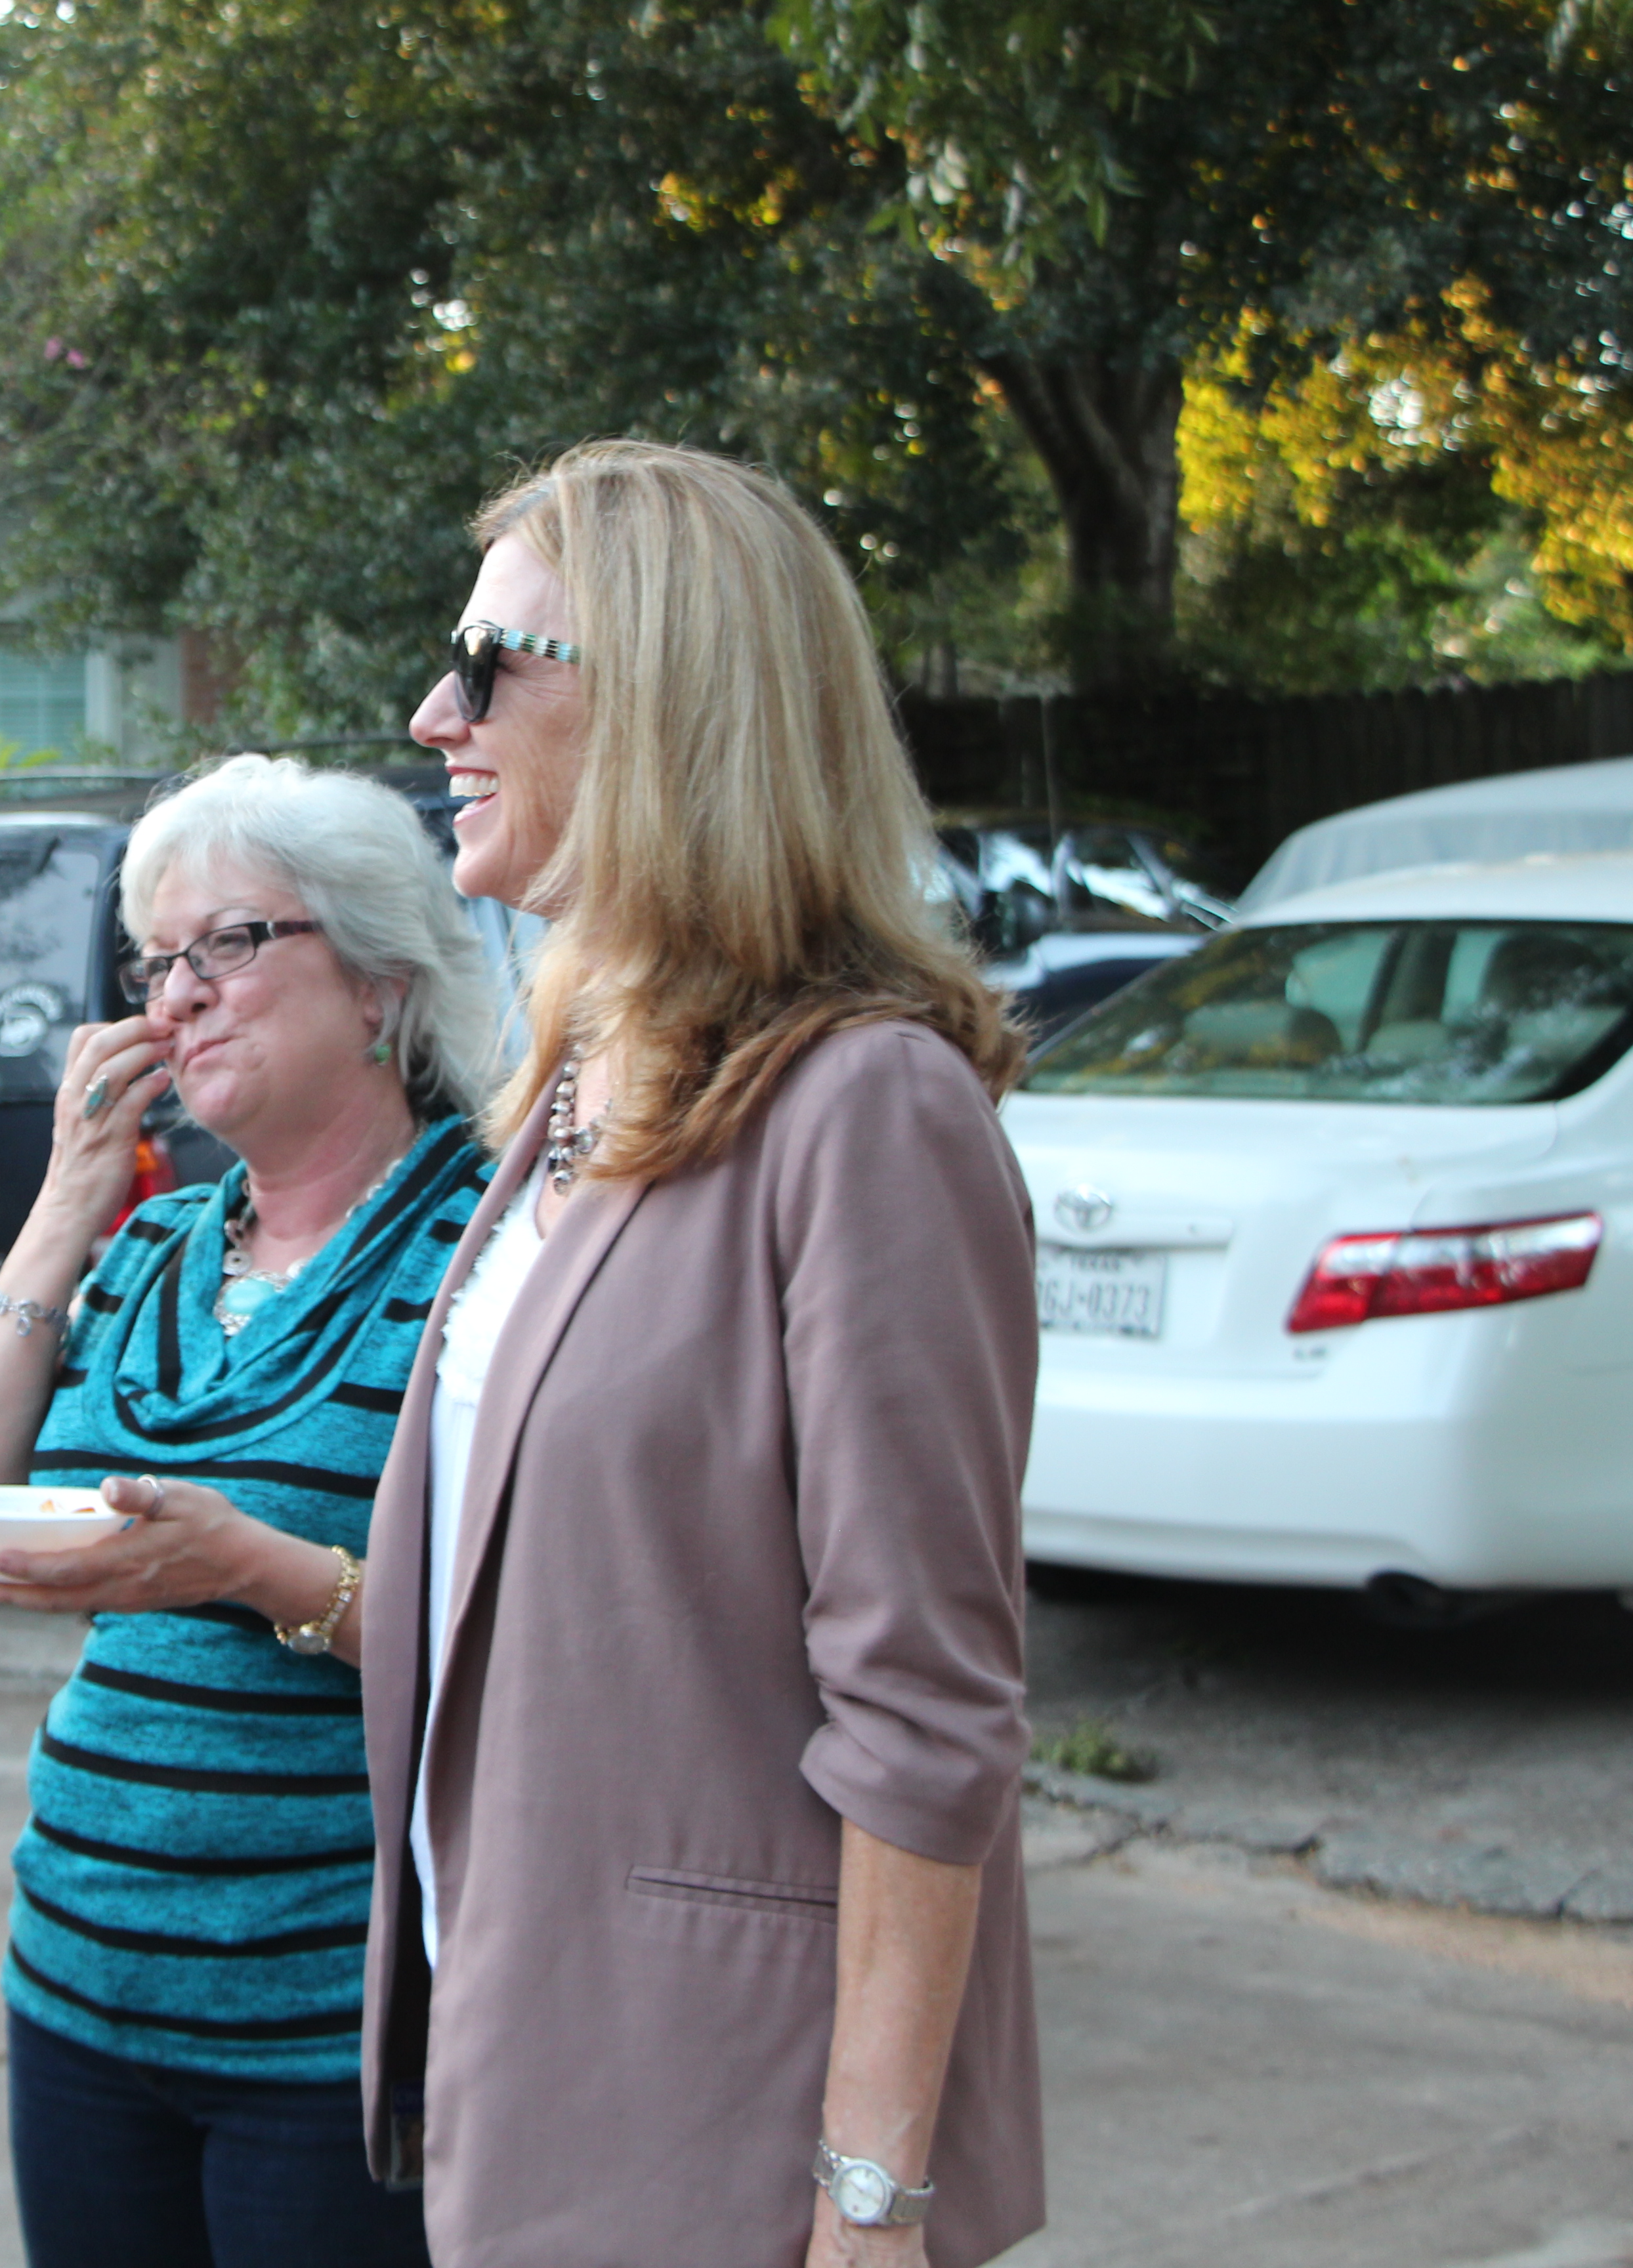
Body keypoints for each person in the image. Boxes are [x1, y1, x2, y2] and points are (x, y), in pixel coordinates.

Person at [368, 438, 1044, 2267]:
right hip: (530, 2071)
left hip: (731, 2131)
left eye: (496, 661)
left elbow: (926, 1710)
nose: (440, 712)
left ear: (673, 704)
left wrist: (869, 2204)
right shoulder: (583, 1089)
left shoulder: (864, 1109)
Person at [0, 753, 501, 2268]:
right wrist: (64, 1198)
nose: (177, 997)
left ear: (375, 982)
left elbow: (531, 1641)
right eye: (157, 963)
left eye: (228, 944)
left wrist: (248, 1566)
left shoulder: (490, 1243)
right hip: (81, 1972)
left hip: (331, 2014)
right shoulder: (156, 1242)